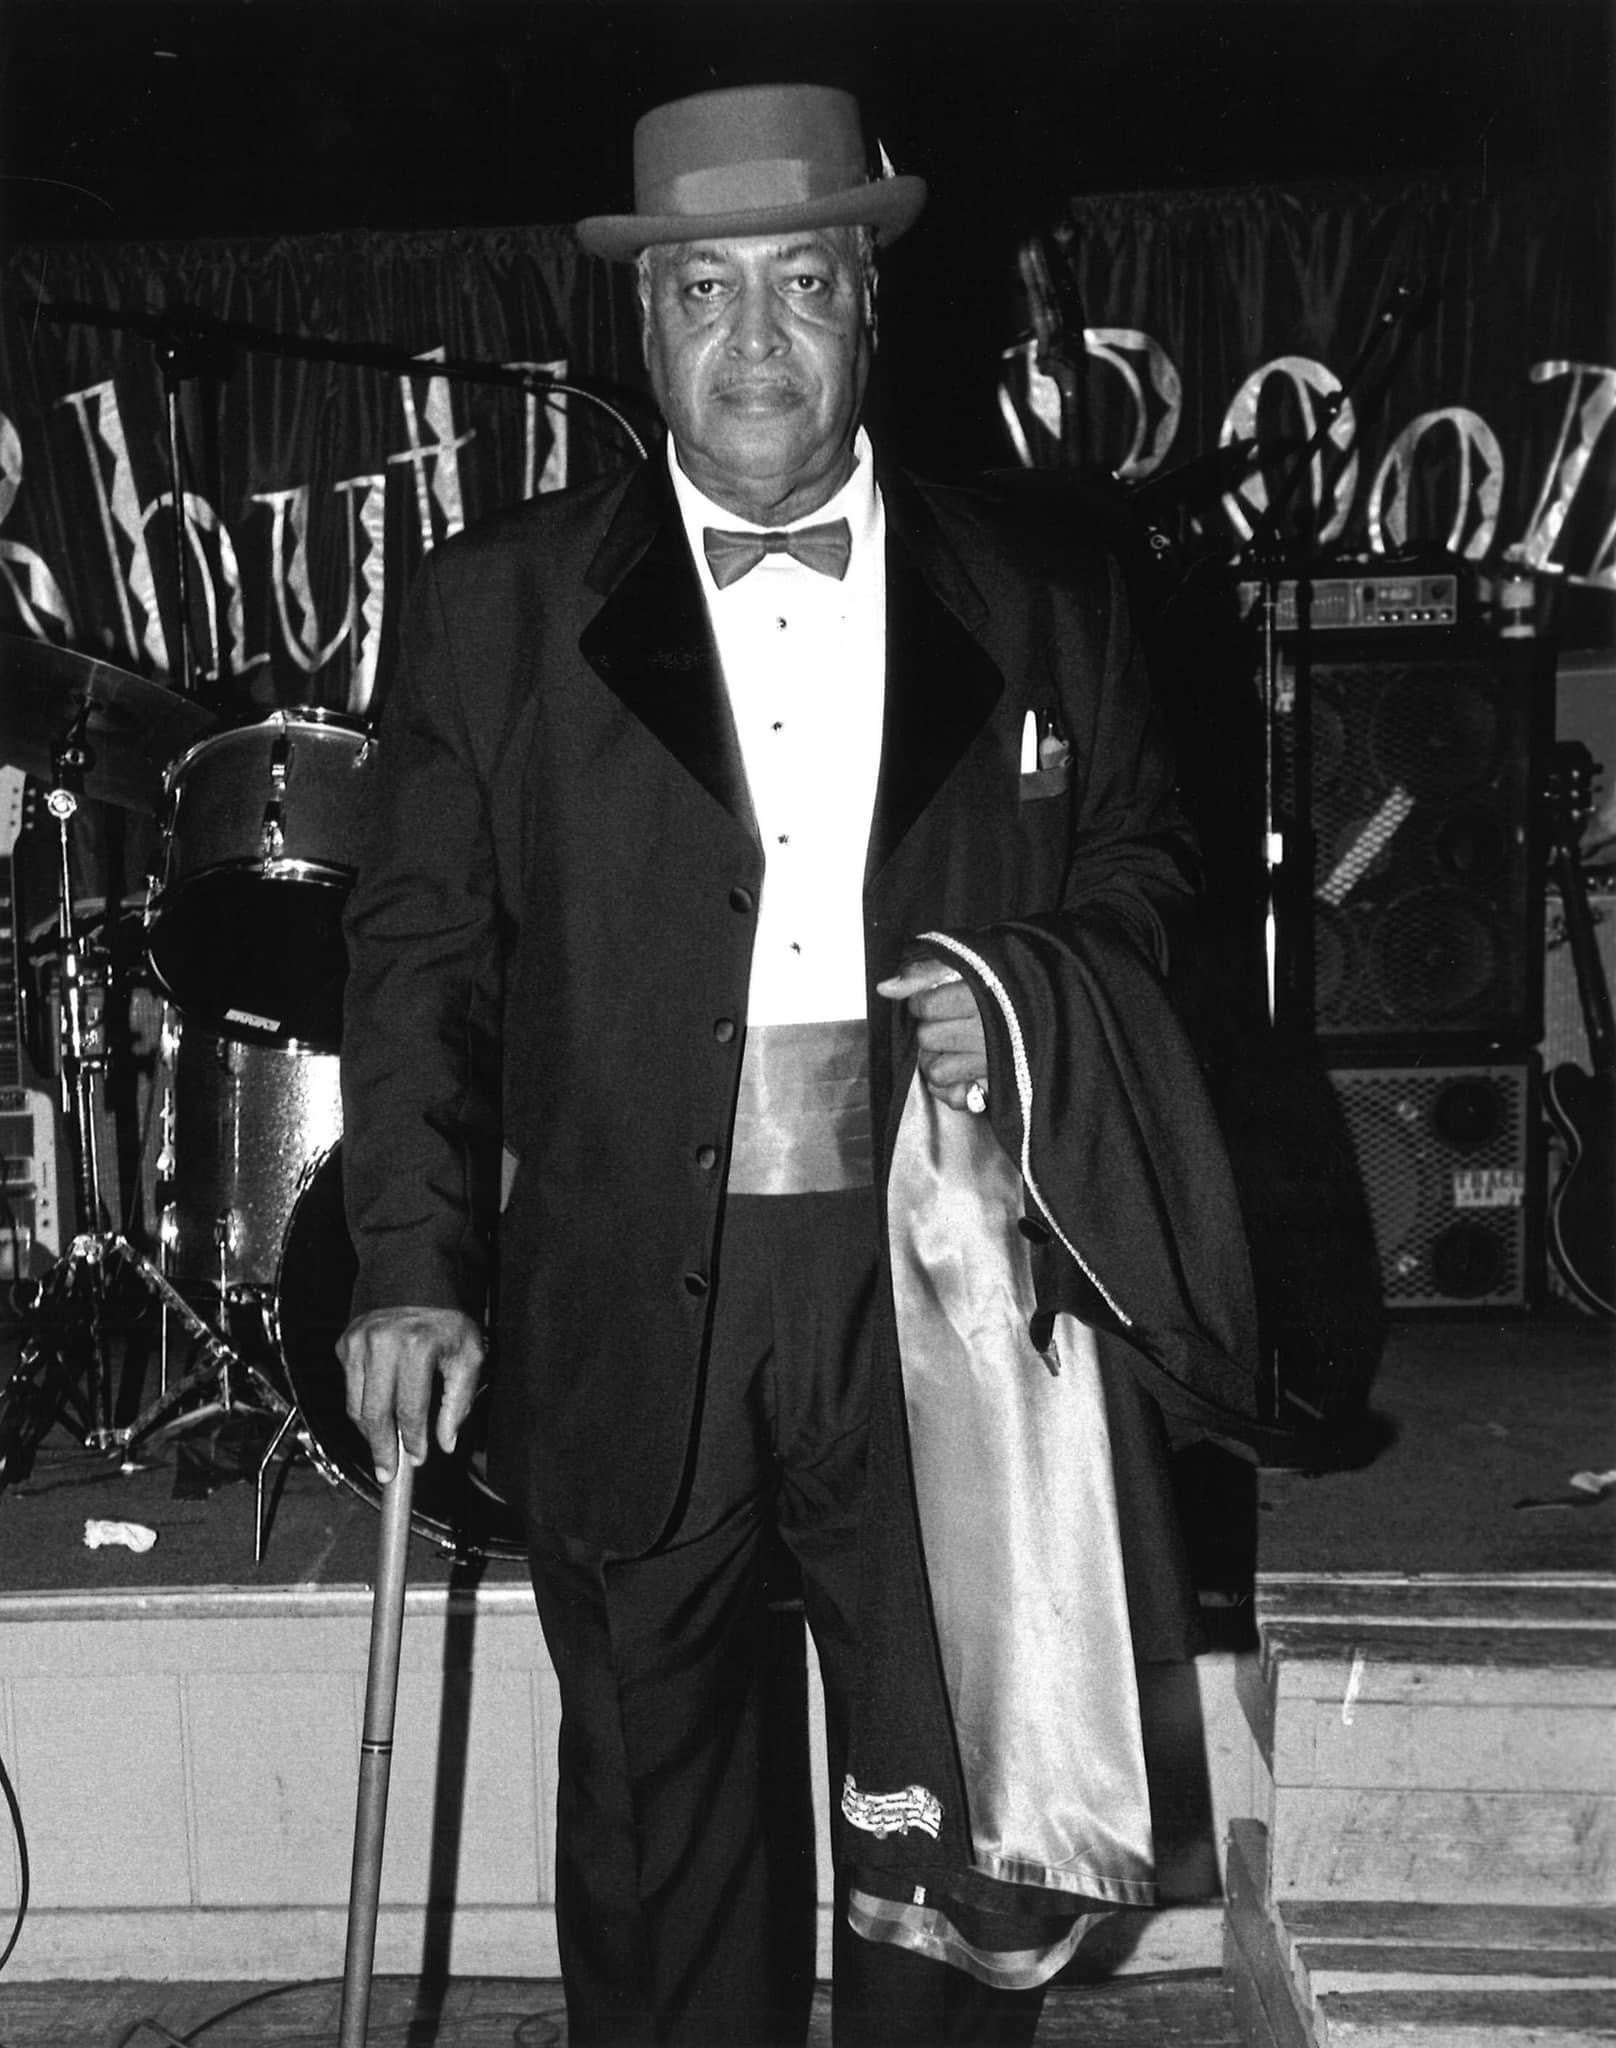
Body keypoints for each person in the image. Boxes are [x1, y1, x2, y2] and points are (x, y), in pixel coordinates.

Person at [340, 81, 1281, 2047]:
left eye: (798, 284)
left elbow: (1148, 875)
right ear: (644, 317)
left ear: (868, 299)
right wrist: (412, 1263)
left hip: (934, 1270)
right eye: (704, 289)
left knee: (941, 1820)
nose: (753, 340)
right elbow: (420, 955)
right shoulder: (494, 607)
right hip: (626, 1279)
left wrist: (1022, 989)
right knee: (652, 1820)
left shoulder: (1044, 590)